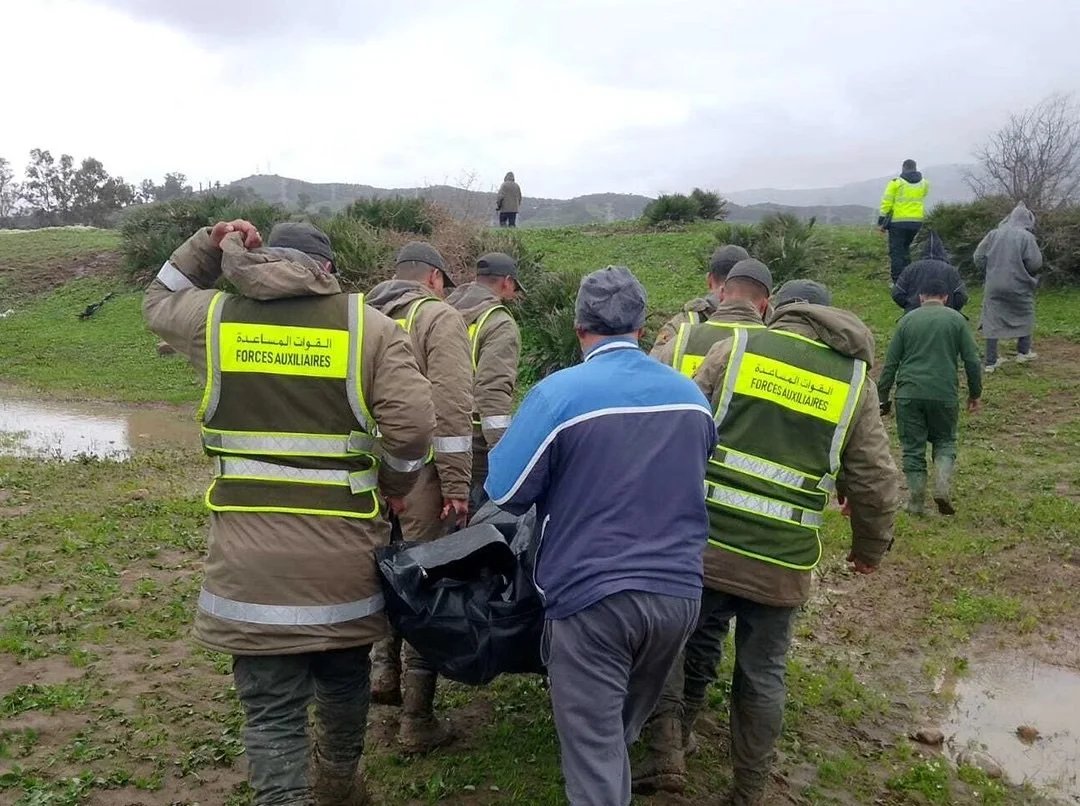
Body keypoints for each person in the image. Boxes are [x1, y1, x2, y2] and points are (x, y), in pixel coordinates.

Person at [143, 220, 436, 805]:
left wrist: (209, 244)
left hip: (248, 569)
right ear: (327, 270)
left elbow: (157, 299)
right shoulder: (368, 328)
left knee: (272, 708)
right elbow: (412, 431)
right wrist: (394, 484)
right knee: (343, 679)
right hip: (343, 563)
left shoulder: (214, 319)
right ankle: (339, 786)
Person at [486, 266, 717, 806]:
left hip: (591, 600)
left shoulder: (557, 396)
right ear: (642, 327)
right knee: (615, 734)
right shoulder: (691, 398)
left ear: (578, 327)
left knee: (595, 757)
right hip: (679, 597)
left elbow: (505, 492)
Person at [676, 279, 899, 805]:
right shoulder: (855, 381)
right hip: (782, 563)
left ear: (776, 309)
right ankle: (749, 789)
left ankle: (673, 744)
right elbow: (874, 479)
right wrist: (868, 549)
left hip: (707, 545)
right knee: (763, 674)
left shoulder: (735, 347)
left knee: (690, 645)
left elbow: (680, 426)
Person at [366, 241, 473, 752]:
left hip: (367, 474)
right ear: (433, 279)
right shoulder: (439, 317)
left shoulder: (362, 315)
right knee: (422, 583)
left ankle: (381, 675)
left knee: (380, 571)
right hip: (421, 477)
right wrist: (456, 485)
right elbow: (451, 407)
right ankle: (417, 719)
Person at [878, 276, 982, 515]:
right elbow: (972, 360)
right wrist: (975, 393)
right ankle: (942, 486)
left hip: (909, 393)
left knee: (912, 448)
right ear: (945, 298)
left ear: (921, 297)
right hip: (944, 393)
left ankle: (916, 502)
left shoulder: (906, 321)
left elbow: (890, 363)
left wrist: (883, 396)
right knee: (945, 440)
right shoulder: (957, 320)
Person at [446, 252, 523, 512]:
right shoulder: (499, 323)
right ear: (507, 282)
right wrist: (503, 455)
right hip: (475, 448)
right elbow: (493, 393)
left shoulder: (443, 310)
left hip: (436, 441)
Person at [652, 258, 771, 375]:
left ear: (722, 295)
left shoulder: (682, 339)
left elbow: (652, 372)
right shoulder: (772, 347)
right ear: (764, 306)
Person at [974, 202, 1043, 373]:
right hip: (1019, 284)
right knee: (1025, 313)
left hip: (994, 284)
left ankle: (990, 362)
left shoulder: (993, 234)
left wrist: (990, 271)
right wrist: (1024, 272)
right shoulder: (1027, 237)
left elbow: (978, 257)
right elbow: (1035, 263)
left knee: (992, 317)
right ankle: (1023, 352)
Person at [651, 244, 751, 352]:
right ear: (750, 285)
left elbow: (656, 358)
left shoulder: (682, 325)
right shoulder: (762, 325)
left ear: (709, 280)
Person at [891, 230, 968, 314]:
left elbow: (897, 293)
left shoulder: (911, 269)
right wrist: (952, 309)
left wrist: (909, 306)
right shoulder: (951, 270)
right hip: (945, 314)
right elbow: (961, 296)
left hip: (915, 314)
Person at [879, 159, 930, 282]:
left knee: (897, 252)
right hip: (916, 222)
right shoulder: (924, 183)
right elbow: (923, 196)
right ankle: (909, 278)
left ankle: (898, 281)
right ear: (915, 168)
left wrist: (882, 219)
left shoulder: (896, 183)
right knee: (907, 250)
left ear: (903, 167)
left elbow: (887, 202)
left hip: (898, 222)